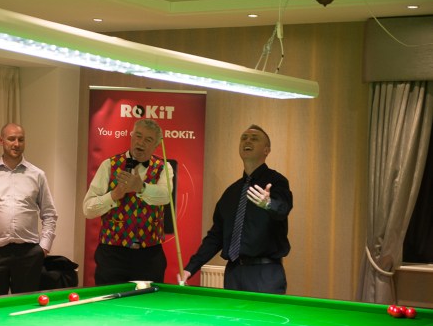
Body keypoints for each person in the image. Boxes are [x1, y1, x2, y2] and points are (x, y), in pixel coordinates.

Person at [178, 125, 292, 294]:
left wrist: (268, 203)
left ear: (266, 150)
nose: (247, 141)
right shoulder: (231, 193)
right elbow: (215, 237)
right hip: (233, 273)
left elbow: (283, 209)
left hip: (265, 274)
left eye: (254, 138)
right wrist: (191, 268)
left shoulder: (277, 182)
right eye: (244, 138)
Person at [0, 123, 58, 297]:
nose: (16, 144)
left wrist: (44, 247)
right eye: (11, 139)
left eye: (21, 140)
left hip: (29, 254)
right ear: (1, 141)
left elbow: (49, 214)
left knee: (25, 307)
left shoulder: (37, 175)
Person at [83, 118, 174, 284]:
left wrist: (141, 188)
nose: (141, 142)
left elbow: (165, 196)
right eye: (138, 136)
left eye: (148, 140)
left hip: (149, 256)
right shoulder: (108, 165)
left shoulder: (164, 167)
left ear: (156, 145)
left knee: (148, 300)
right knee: (109, 300)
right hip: (112, 255)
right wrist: (113, 195)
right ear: (131, 136)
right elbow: (88, 209)